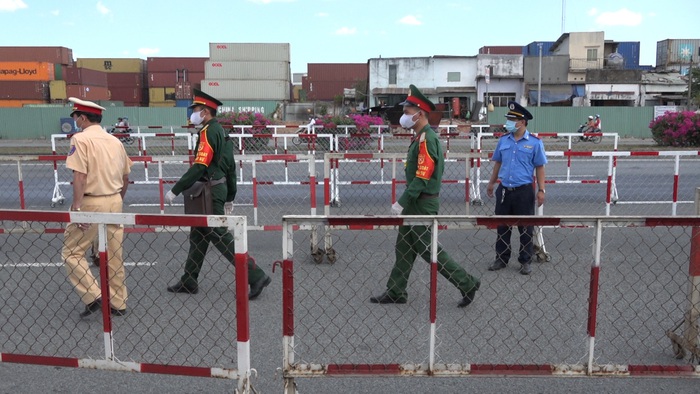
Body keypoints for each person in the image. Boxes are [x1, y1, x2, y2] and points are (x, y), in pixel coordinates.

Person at [370, 85, 480, 308]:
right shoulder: (420, 138)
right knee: (404, 247)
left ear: (420, 113)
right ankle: (396, 290)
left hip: (421, 204)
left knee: (429, 250)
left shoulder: (427, 140)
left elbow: (422, 178)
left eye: (408, 112)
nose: (404, 116)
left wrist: (401, 202)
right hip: (415, 203)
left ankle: (466, 283)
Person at [164, 89, 271, 299]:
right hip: (217, 189)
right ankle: (189, 279)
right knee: (198, 235)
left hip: (209, 191)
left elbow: (199, 167)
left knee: (219, 235)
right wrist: (231, 195)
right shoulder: (222, 132)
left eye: (194, 110)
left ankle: (255, 275)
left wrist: (175, 190)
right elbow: (231, 167)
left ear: (204, 112)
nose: (191, 114)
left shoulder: (206, 133)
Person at [61, 97, 133, 318]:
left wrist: (77, 207)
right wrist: (116, 198)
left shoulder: (80, 140)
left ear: (83, 118)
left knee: (72, 252)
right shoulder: (115, 141)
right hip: (114, 200)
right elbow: (126, 177)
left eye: (76, 118)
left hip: (91, 201)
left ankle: (94, 295)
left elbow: (80, 176)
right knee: (113, 253)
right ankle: (118, 302)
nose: (76, 122)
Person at [486, 101, 547, 275]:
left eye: (513, 119)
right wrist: (492, 183)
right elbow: (498, 162)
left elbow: (540, 167)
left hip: (524, 191)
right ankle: (501, 258)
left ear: (522, 122)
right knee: (502, 226)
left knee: (526, 227)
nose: (509, 122)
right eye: (509, 119)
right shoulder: (504, 140)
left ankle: (525, 260)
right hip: (505, 190)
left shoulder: (535, 143)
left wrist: (541, 190)